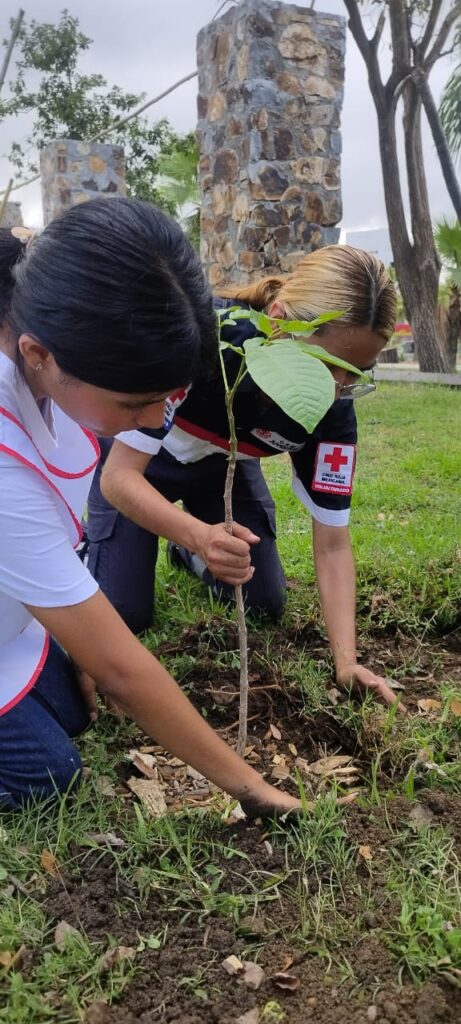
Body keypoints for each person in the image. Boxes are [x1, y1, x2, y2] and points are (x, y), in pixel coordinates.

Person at [0, 197, 329, 816]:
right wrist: (251, 790)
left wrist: (65, 629)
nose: (155, 422)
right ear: (40, 355)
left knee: (71, 710)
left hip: (13, 618)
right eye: (136, 404)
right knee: (48, 780)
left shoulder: (45, 365)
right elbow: (125, 672)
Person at [87, 245, 404, 713]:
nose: (336, 388)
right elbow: (119, 479)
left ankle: (182, 555)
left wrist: (346, 661)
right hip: (141, 466)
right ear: (278, 321)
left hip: (222, 471)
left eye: (356, 373)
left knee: (263, 602)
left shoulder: (333, 409)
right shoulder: (203, 340)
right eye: (326, 366)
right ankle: (106, 547)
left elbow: (333, 542)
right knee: (126, 614)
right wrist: (199, 536)